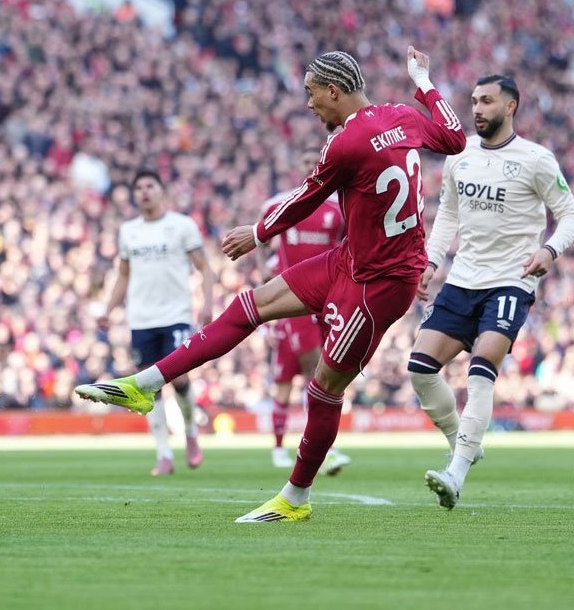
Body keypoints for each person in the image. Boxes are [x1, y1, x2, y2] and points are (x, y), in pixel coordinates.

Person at [76, 47, 467, 522]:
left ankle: (295, 499)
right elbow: (455, 136)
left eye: (311, 95)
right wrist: (423, 81)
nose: (308, 105)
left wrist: (258, 233)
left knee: (323, 388)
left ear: (333, 91)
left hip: (379, 284)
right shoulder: (403, 116)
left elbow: (306, 197)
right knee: (250, 305)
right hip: (351, 260)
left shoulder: (345, 144)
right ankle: (145, 384)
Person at [411, 74, 574, 509]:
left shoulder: (536, 159)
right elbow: (447, 215)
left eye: (487, 101)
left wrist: (550, 250)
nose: (477, 108)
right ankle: (462, 440)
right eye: (473, 101)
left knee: (482, 364)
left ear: (511, 106)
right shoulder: (459, 154)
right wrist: (431, 261)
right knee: (419, 368)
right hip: (463, 278)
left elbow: (571, 217)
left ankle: (457, 472)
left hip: (511, 280)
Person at [97, 170, 214, 476]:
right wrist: (108, 309)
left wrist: (208, 304)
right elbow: (123, 274)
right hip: (141, 320)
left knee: (181, 380)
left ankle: (190, 432)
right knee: (148, 389)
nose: (144, 192)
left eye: (150, 186)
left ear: (162, 191)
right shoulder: (128, 231)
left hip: (176, 316)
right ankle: (163, 454)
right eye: (138, 188)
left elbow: (204, 267)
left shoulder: (181, 225)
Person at [256, 151, 348, 472]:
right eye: (305, 162)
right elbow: (260, 243)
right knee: (313, 372)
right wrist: (267, 279)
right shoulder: (280, 204)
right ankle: (314, 450)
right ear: (298, 166)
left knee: (321, 373)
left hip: (328, 302)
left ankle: (310, 448)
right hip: (294, 303)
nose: (311, 167)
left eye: (316, 162)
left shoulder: (339, 208)